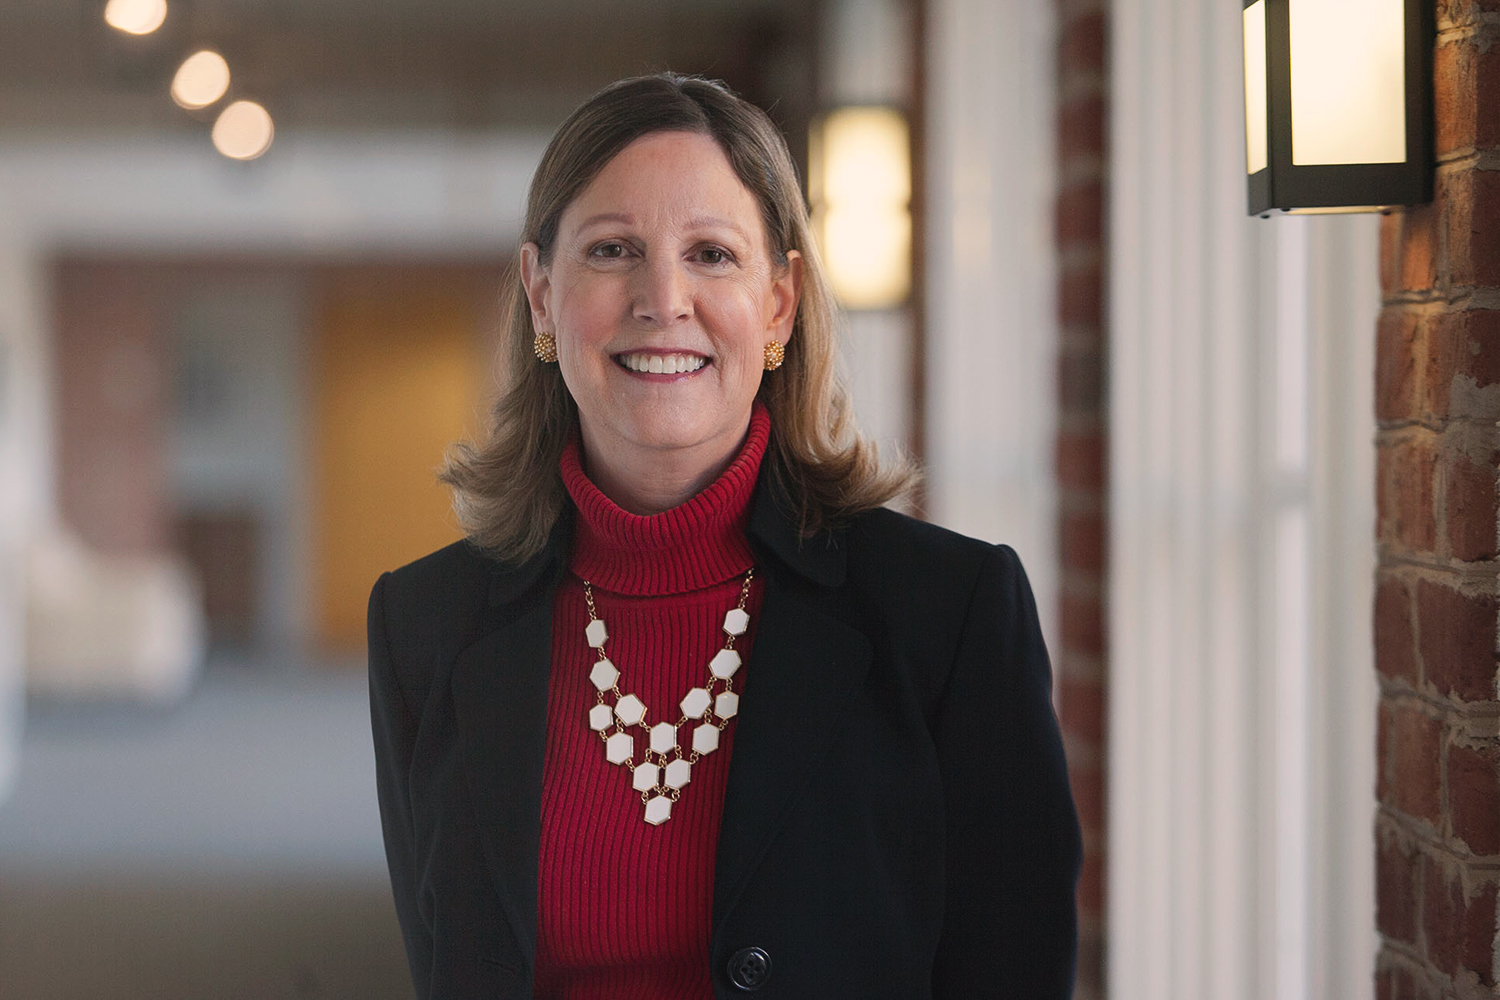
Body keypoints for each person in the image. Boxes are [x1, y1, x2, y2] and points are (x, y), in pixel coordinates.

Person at [368, 73, 1081, 1000]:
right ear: (541, 296)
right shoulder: (424, 624)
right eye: (614, 248)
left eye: (710, 254)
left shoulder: (948, 615)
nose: (664, 299)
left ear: (779, 304)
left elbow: (1013, 972)